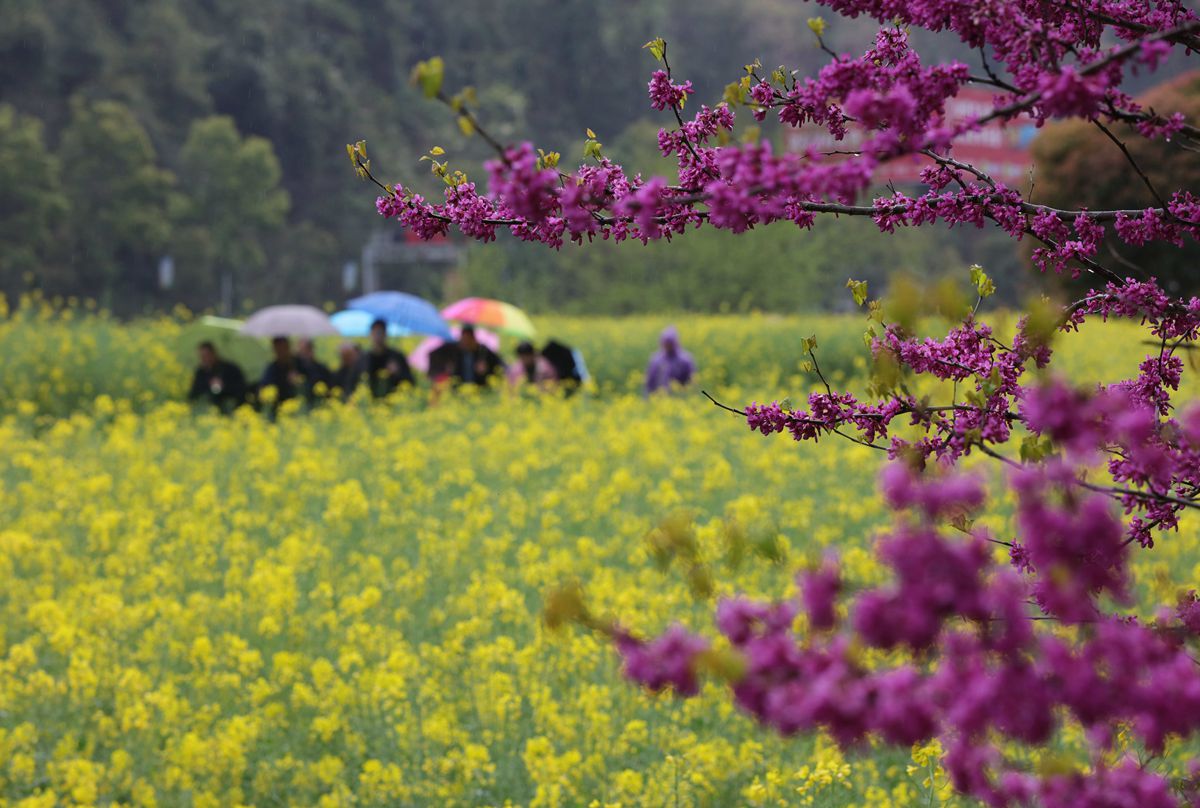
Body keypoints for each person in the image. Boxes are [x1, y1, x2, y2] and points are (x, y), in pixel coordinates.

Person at [358, 318, 414, 397]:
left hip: (394, 402)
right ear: (370, 334)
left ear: (385, 334)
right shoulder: (364, 359)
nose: (378, 335)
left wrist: (397, 373)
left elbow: (411, 382)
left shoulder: (397, 357)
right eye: (375, 332)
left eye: (380, 332)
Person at [188, 341, 247, 413]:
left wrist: (223, 385)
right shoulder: (200, 372)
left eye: (206, 355)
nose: (204, 359)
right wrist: (208, 384)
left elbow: (241, 388)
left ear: (214, 354)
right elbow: (194, 394)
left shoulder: (230, 368)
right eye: (201, 356)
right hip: (208, 410)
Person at [645, 325, 696, 394]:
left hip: (680, 397)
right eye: (665, 343)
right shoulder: (656, 360)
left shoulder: (685, 360)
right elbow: (650, 383)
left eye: (670, 343)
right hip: (658, 399)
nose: (668, 345)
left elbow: (692, 383)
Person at [260, 336, 304, 407]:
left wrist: (300, 381)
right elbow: (264, 389)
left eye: (284, 348)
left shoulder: (299, 364)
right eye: (278, 349)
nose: (281, 352)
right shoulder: (272, 369)